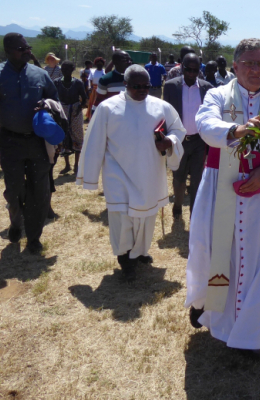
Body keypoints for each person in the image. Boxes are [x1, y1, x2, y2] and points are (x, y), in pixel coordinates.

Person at [185, 38, 260, 357]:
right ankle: (205, 305)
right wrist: (237, 131)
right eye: (248, 63)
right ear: (235, 66)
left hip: (258, 190)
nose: (255, 69)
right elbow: (205, 124)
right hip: (220, 184)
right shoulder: (218, 95)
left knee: (254, 259)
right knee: (210, 249)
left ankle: (245, 336)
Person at [77, 65, 185, 280]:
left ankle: (140, 251)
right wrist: (89, 175)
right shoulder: (108, 108)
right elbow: (94, 142)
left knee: (146, 217)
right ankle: (125, 259)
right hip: (118, 173)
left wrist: (169, 141)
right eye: (137, 86)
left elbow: (178, 130)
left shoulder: (161, 106)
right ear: (125, 84)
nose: (143, 90)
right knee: (122, 219)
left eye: (147, 85)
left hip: (149, 173)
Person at [0, 33, 59, 254]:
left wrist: (49, 113)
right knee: (14, 190)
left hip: (38, 142)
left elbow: (55, 102)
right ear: (8, 51)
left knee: (39, 191)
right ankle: (15, 222)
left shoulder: (40, 74)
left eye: (27, 47)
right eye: (21, 49)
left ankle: (33, 237)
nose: (27, 51)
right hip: (10, 141)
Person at [164, 54, 215, 219]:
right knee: (178, 177)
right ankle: (178, 204)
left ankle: (195, 212)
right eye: (188, 69)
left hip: (199, 141)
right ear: (182, 68)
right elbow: (166, 114)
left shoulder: (207, 88)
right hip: (179, 140)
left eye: (195, 70)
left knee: (197, 179)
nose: (192, 73)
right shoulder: (171, 86)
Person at [54, 60, 89, 175]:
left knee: (78, 136)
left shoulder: (78, 83)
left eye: (67, 69)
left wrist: (79, 108)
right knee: (63, 136)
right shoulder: (57, 83)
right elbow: (53, 97)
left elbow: (84, 98)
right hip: (61, 112)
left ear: (72, 70)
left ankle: (76, 165)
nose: (65, 71)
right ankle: (67, 165)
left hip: (75, 112)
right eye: (63, 69)